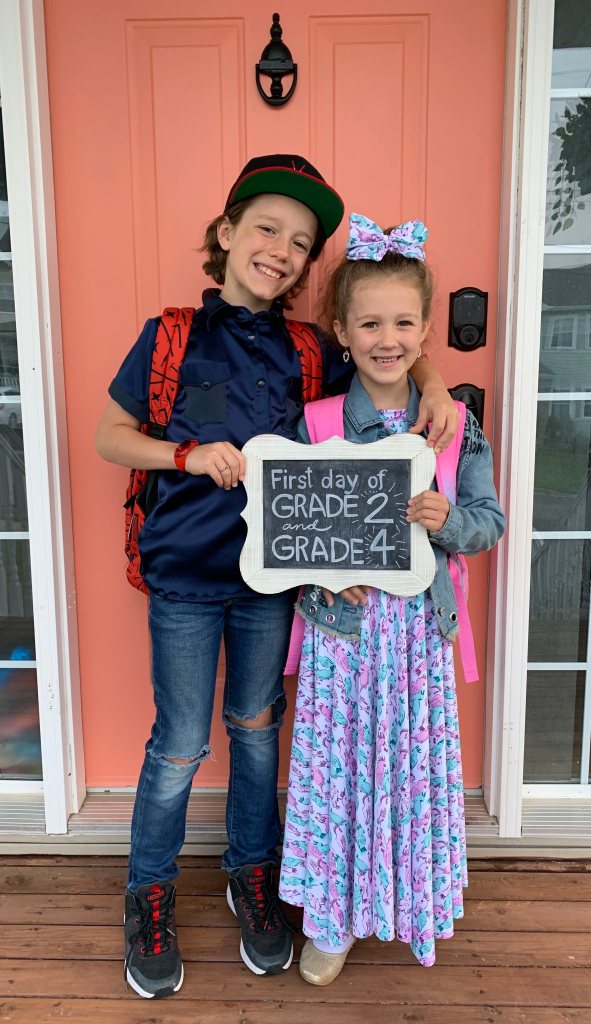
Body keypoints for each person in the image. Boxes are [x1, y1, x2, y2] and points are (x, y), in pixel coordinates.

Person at [95, 159, 459, 999]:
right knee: (180, 742)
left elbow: (385, 356)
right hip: (184, 577)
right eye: (266, 228)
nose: (281, 250)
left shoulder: (309, 350)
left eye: (300, 243)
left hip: (275, 584)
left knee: (258, 731)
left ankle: (253, 876)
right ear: (226, 234)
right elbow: (112, 435)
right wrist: (185, 455)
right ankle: (148, 893)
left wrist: (435, 379)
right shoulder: (170, 336)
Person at [279, 214, 505, 985]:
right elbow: (288, 526)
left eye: (403, 322)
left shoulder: (451, 426)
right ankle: (332, 921)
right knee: (337, 776)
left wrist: (449, 522)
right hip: (341, 638)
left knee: (409, 776)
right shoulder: (315, 426)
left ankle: (409, 904)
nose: (387, 338)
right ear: (342, 332)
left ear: (425, 329)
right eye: (369, 324)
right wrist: (318, 567)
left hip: (416, 638)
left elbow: (488, 520)